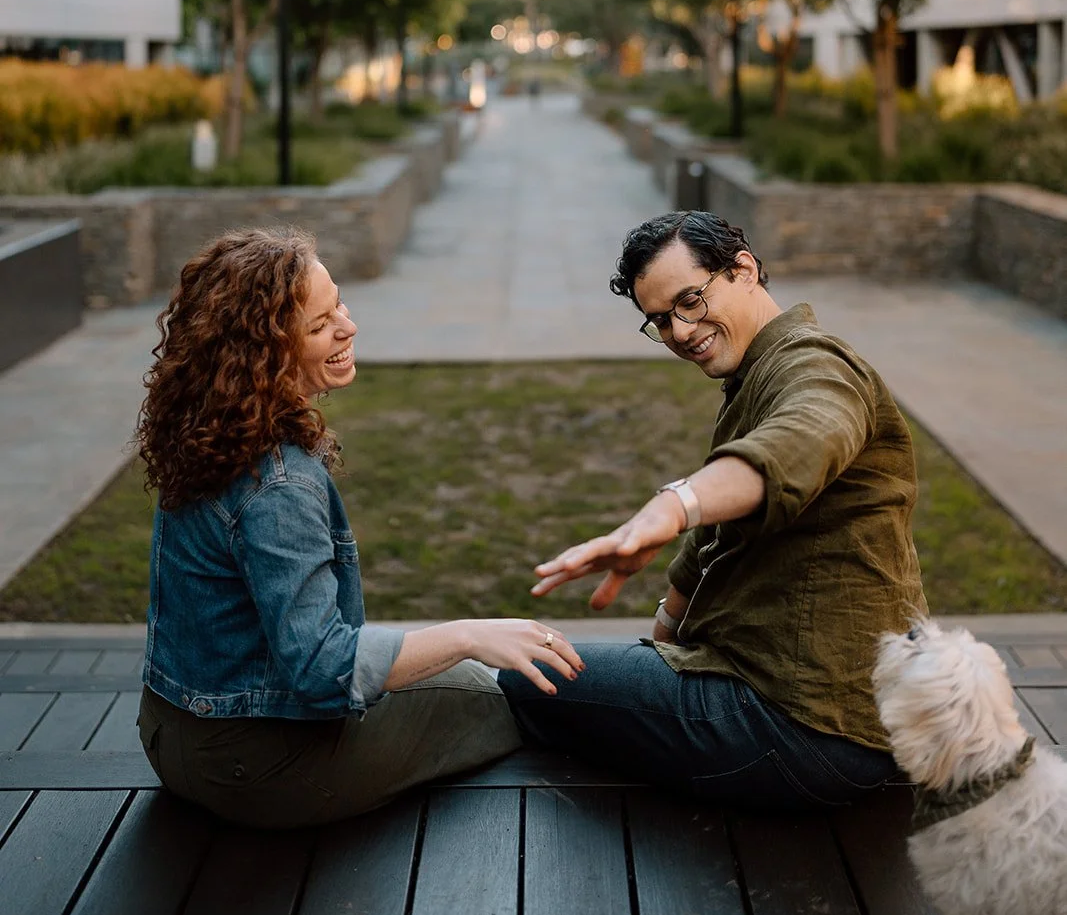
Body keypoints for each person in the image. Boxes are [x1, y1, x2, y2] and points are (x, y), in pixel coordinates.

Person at [135, 228, 583, 829]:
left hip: (169, 736)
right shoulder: (278, 484)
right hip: (257, 767)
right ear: (262, 350)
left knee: (461, 674)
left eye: (338, 304)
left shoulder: (206, 433)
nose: (348, 327)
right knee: (504, 693)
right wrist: (468, 634)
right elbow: (324, 669)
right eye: (320, 325)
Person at [498, 210, 927, 811]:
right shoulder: (756, 376)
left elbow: (801, 440)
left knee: (524, 680)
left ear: (743, 269)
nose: (680, 330)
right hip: (825, 711)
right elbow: (717, 540)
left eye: (690, 301)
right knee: (562, 671)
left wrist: (673, 505)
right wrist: (668, 627)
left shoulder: (817, 367)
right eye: (660, 319)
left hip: (808, 728)